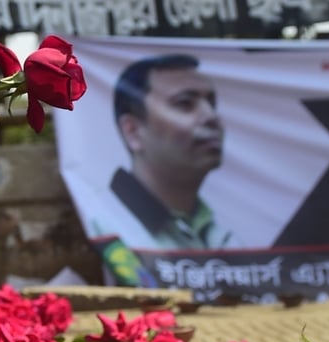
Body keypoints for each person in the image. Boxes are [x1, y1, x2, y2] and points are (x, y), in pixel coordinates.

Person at [91, 54, 238, 287]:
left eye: (212, 103)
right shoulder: (100, 221)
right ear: (133, 131)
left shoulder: (220, 229)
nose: (212, 117)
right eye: (185, 103)